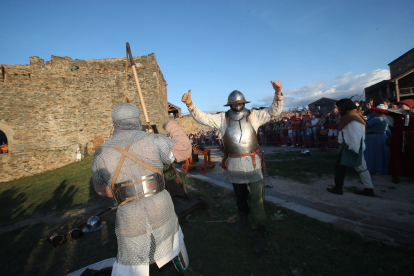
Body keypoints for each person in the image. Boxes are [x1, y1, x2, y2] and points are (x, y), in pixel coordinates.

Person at [91, 103, 194, 276]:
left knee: (132, 261)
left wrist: (123, 193)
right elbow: (184, 150)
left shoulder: (101, 153)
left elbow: (102, 190)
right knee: (172, 239)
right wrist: (171, 125)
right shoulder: (153, 140)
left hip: (129, 212)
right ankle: (184, 270)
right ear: (136, 120)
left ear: (114, 123)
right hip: (159, 204)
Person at [181, 81, 283, 254]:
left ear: (244, 103)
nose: (237, 105)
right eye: (234, 103)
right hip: (234, 164)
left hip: (252, 163)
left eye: (240, 103)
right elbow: (203, 118)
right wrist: (190, 105)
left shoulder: (254, 115)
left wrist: (278, 92)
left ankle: (260, 229)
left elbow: (274, 111)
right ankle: (243, 219)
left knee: (257, 198)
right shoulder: (222, 118)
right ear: (230, 105)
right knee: (240, 197)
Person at [326, 99, 375, 197]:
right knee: (346, 167)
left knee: (353, 168)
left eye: (339, 107)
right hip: (350, 146)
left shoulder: (352, 118)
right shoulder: (351, 116)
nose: (338, 109)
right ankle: (367, 188)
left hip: (351, 147)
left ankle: (367, 189)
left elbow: (355, 135)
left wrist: (354, 149)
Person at [373, 99, 414, 183]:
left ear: (408, 105)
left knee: (412, 155)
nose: (399, 106)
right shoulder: (396, 114)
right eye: (399, 104)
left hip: (411, 138)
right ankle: (394, 174)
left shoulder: (412, 114)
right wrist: (372, 108)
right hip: (397, 138)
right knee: (395, 156)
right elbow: (383, 111)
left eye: (402, 104)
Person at [364, 105, 390, 174]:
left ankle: (373, 169)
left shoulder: (376, 119)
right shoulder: (386, 119)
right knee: (381, 154)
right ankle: (382, 169)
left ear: (379, 113)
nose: (373, 113)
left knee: (373, 154)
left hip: (374, 137)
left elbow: (364, 126)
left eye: (374, 111)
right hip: (383, 137)